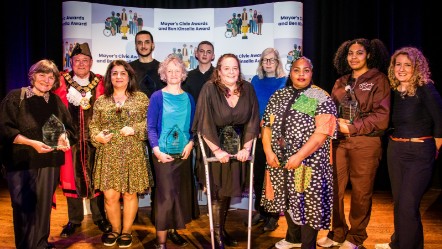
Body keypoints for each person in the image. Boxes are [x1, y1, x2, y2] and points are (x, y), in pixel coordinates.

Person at [316, 38, 391, 249]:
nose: (354, 57)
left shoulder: (378, 79)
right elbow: (329, 110)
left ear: (368, 55)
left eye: (359, 53)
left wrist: (353, 127)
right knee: (334, 191)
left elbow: (382, 117)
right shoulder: (340, 82)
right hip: (338, 143)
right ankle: (337, 232)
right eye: (350, 53)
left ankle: (355, 237)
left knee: (361, 192)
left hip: (366, 143)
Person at [259, 56, 337, 249]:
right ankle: (294, 238)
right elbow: (266, 127)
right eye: (296, 70)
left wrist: (299, 156)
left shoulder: (319, 97)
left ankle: (307, 244)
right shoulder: (279, 96)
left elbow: (321, 134)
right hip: (280, 161)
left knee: (308, 202)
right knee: (287, 197)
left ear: (312, 73)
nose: (301, 74)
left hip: (307, 163)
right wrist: (268, 152)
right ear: (290, 72)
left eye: (306, 70)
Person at [0, 59, 76, 249]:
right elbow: (5, 129)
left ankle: (41, 243)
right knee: (24, 208)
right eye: (42, 75)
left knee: (43, 207)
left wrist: (65, 138)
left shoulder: (56, 101)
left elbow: (69, 128)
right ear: (32, 76)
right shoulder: (16, 97)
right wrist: (31, 143)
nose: (46, 80)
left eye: (51, 77)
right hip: (22, 162)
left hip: (50, 161)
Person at [374, 47, 442, 249]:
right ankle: (399, 242)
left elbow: (440, 123)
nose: (401, 69)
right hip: (395, 151)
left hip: (419, 152)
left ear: (416, 67)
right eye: (398, 64)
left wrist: (433, 151)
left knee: (407, 205)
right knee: (400, 203)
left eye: (407, 65)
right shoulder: (393, 91)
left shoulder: (426, 88)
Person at [192, 53, 260, 249]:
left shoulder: (248, 88)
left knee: (228, 190)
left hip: (238, 146)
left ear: (239, 70)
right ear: (219, 71)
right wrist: (217, 150)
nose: (231, 72)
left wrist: (246, 147)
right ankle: (216, 237)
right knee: (217, 192)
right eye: (227, 68)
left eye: (235, 68)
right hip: (215, 143)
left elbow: (253, 119)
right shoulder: (209, 88)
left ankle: (221, 230)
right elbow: (203, 122)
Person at [89, 60, 153, 247]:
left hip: (132, 152)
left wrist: (134, 129)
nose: (118, 76)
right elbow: (93, 125)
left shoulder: (141, 98)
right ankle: (115, 229)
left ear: (129, 76)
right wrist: (97, 137)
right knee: (110, 196)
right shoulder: (101, 100)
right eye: (114, 73)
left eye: (122, 73)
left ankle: (126, 231)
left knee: (130, 195)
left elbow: (150, 123)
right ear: (109, 77)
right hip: (108, 153)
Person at [54, 42, 112, 238]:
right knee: (71, 178)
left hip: (95, 141)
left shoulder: (100, 82)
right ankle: (74, 219)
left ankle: (99, 217)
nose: (81, 64)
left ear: (91, 63)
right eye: (77, 60)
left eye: (85, 61)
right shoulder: (61, 81)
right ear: (71, 62)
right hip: (70, 141)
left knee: (95, 179)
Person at [147, 54, 196, 249]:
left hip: (183, 155)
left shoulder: (189, 98)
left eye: (178, 70)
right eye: (170, 71)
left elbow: (193, 127)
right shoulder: (157, 97)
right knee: (165, 196)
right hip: (163, 155)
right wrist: (156, 151)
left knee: (177, 195)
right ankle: (161, 242)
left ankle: (173, 230)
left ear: (183, 74)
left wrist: (191, 143)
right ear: (163, 75)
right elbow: (150, 127)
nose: (174, 74)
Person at [249, 47, 286, 232]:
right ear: (261, 63)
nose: (268, 63)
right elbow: (252, 107)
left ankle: (273, 215)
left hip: (277, 136)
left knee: (274, 176)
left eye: (272, 59)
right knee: (258, 175)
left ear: (278, 62)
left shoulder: (285, 81)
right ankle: (261, 211)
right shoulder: (256, 81)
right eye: (265, 59)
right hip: (258, 133)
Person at [130, 30, 165, 98]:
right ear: (136, 46)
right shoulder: (128, 68)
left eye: (147, 42)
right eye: (139, 43)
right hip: (134, 108)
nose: (143, 46)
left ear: (153, 45)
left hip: (157, 108)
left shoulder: (163, 68)